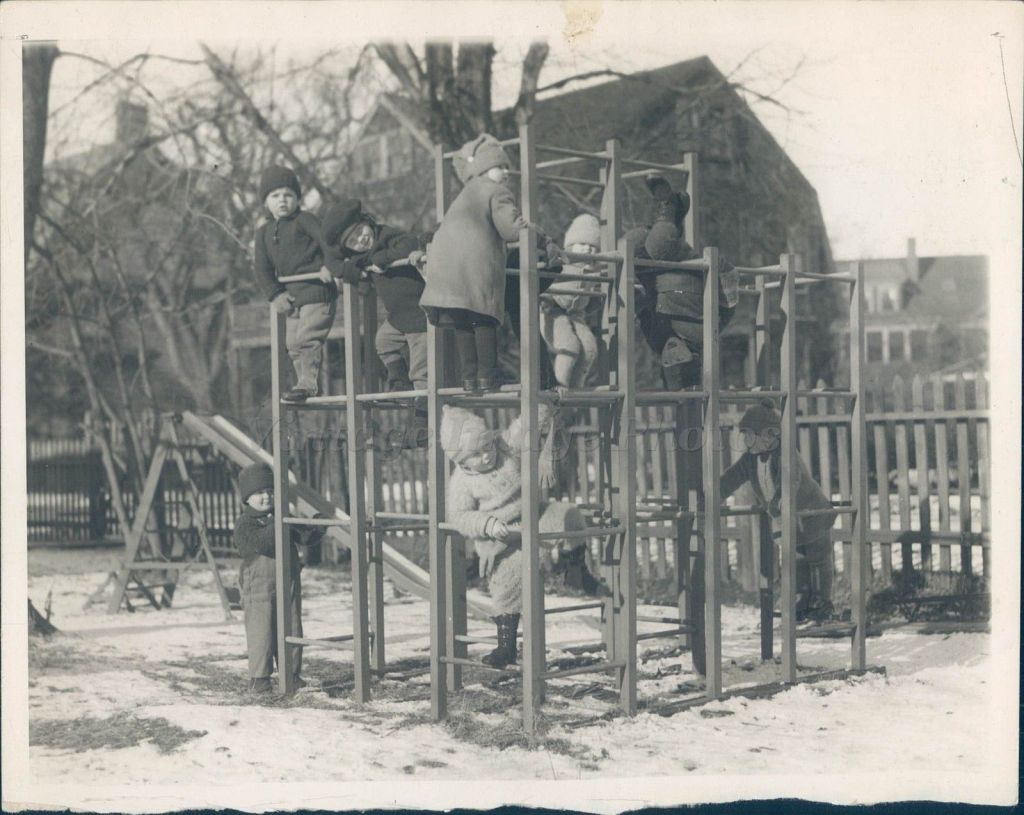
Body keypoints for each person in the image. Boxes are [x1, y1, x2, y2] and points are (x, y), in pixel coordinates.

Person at [440, 405, 606, 667]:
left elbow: (524, 427)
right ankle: (506, 645)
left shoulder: (504, 447)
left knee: (570, 515)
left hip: (532, 517)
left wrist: (541, 405)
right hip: (500, 537)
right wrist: (487, 524)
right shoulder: (461, 481)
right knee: (508, 582)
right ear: (460, 461)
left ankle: (575, 567)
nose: (486, 455)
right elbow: (459, 516)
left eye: (487, 446)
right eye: (476, 454)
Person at [420, 133, 535, 393]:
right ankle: (488, 376)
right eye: (500, 167)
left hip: (447, 270)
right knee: (484, 319)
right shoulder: (497, 191)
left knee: (462, 323)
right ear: (483, 168)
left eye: (506, 167)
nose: (506, 172)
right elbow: (511, 230)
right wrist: (533, 230)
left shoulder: (463, 195)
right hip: (475, 270)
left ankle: (469, 379)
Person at [320, 199, 430, 446]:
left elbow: (409, 244)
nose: (361, 240)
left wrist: (383, 258)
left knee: (421, 372)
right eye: (353, 241)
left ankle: (422, 425)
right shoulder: (362, 257)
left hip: (420, 316)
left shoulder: (386, 236)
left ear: (368, 222)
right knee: (383, 341)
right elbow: (336, 261)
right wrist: (343, 270)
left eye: (360, 231)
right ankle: (399, 380)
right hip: (399, 318)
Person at [719, 399, 838, 622]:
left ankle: (823, 603)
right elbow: (732, 478)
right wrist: (713, 495)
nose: (745, 440)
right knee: (796, 559)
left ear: (769, 435)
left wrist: (779, 499)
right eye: (744, 434)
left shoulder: (785, 454)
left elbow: (790, 480)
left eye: (750, 434)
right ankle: (802, 603)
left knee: (818, 557)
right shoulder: (750, 459)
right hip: (788, 520)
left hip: (811, 514)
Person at [630, 175, 738, 389]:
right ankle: (668, 209)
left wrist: (635, 294)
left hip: (655, 273)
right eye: (679, 359)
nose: (671, 354)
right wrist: (717, 266)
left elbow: (641, 307)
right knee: (659, 244)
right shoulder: (705, 334)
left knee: (630, 243)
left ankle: (672, 219)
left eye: (668, 362)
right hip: (687, 271)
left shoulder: (656, 341)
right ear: (693, 357)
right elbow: (729, 297)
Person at [233, 463, 324, 693]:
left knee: (291, 626)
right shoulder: (245, 523)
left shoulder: (281, 517)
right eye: (259, 493)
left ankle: (291, 674)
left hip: (288, 583)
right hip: (259, 588)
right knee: (261, 631)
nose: (266, 497)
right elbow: (263, 542)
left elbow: (302, 535)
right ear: (247, 498)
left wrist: (317, 527)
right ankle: (260, 679)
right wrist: (279, 522)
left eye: (269, 491)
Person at [252, 166, 337, 403]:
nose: (282, 201)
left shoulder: (304, 220)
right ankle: (304, 385)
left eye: (288, 195)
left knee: (307, 338)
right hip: (292, 297)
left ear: (298, 199)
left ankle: (308, 384)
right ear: (266, 202)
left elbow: (328, 242)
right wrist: (275, 294)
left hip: (317, 291)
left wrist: (329, 265)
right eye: (275, 196)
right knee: (291, 343)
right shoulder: (263, 233)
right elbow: (262, 268)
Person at [539, 213, 604, 391]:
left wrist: (595, 301)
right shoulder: (562, 263)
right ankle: (558, 385)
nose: (587, 249)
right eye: (582, 244)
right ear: (570, 245)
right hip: (552, 312)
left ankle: (575, 389)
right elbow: (545, 282)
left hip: (576, 316)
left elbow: (592, 299)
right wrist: (546, 298)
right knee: (569, 346)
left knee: (590, 349)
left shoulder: (595, 271)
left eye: (592, 246)